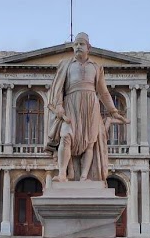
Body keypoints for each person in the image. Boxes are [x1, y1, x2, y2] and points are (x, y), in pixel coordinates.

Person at [46, 32, 128, 182]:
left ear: (88, 47)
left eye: (81, 44)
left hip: (91, 107)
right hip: (71, 104)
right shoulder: (66, 65)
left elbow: (103, 92)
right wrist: (58, 106)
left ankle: (84, 176)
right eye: (76, 44)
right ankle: (62, 173)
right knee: (65, 135)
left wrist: (113, 111)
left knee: (90, 142)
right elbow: (58, 89)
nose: (78, 46)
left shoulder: (96, 67)